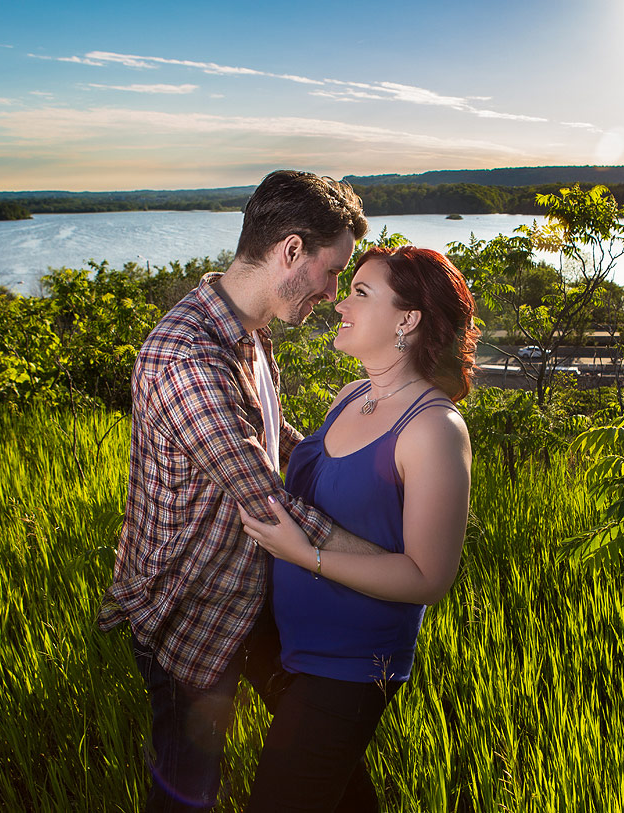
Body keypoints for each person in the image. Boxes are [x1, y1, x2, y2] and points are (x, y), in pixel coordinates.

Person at [97, 170, 381, 811]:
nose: (334, 293)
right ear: (290, 251)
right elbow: (266, 502)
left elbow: (280, 442)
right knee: (187, 788)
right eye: (332, 271)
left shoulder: (249, 331)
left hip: (256, 593)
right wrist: (398, 566)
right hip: (192, 613)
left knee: (325, 753)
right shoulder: (189, 357)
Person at [238, 245, 478, 812]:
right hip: (290, 649)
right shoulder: (354, 395)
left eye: (361, 294)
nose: (339, 304)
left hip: (349, 667)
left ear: (408, 320)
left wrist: (307, 556)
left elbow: (427, 578)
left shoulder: (434, 430)